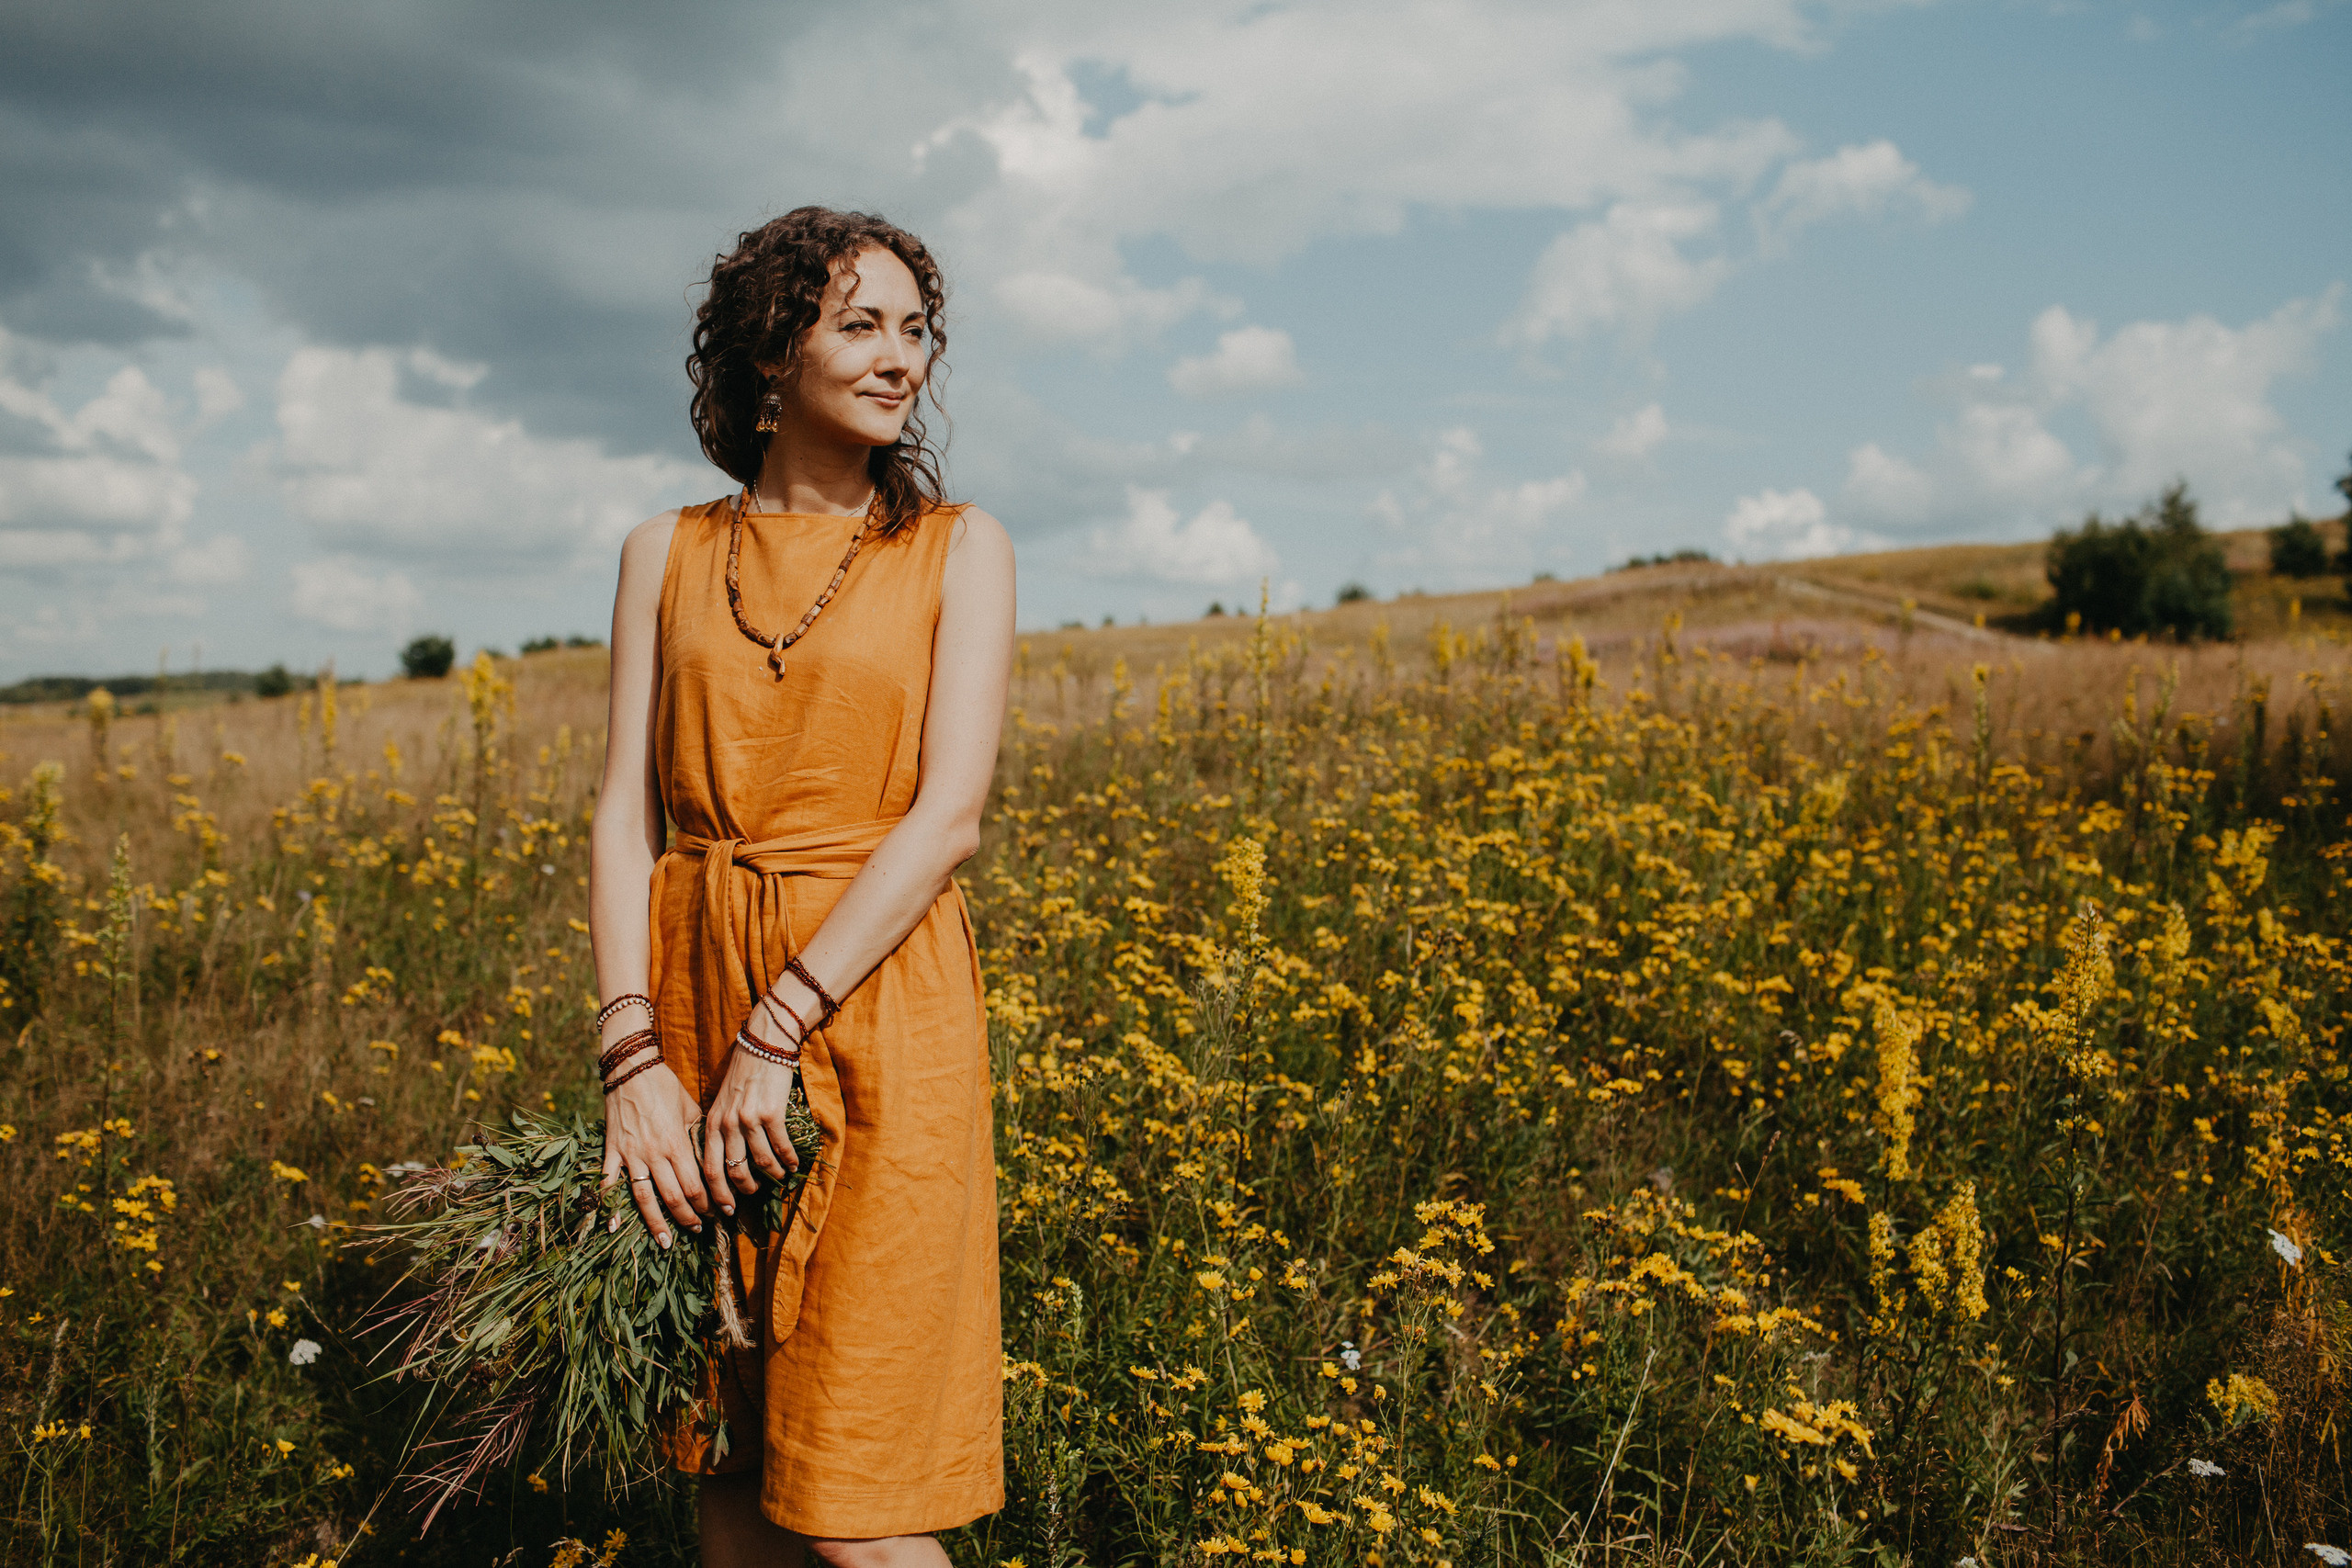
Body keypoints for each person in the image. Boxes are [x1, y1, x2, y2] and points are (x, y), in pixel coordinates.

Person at [587, 207, 1014, 1568]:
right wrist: (632, 1057)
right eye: (862, 324)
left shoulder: (959, 549)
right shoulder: (663, 551)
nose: (904, 359)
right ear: (773, 352)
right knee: (731, 1466)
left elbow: (948, 818)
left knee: (857, 1502)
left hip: (870, 1005)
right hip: (695, 996)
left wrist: (779, 1033)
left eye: (916, 331)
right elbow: (621, 816)